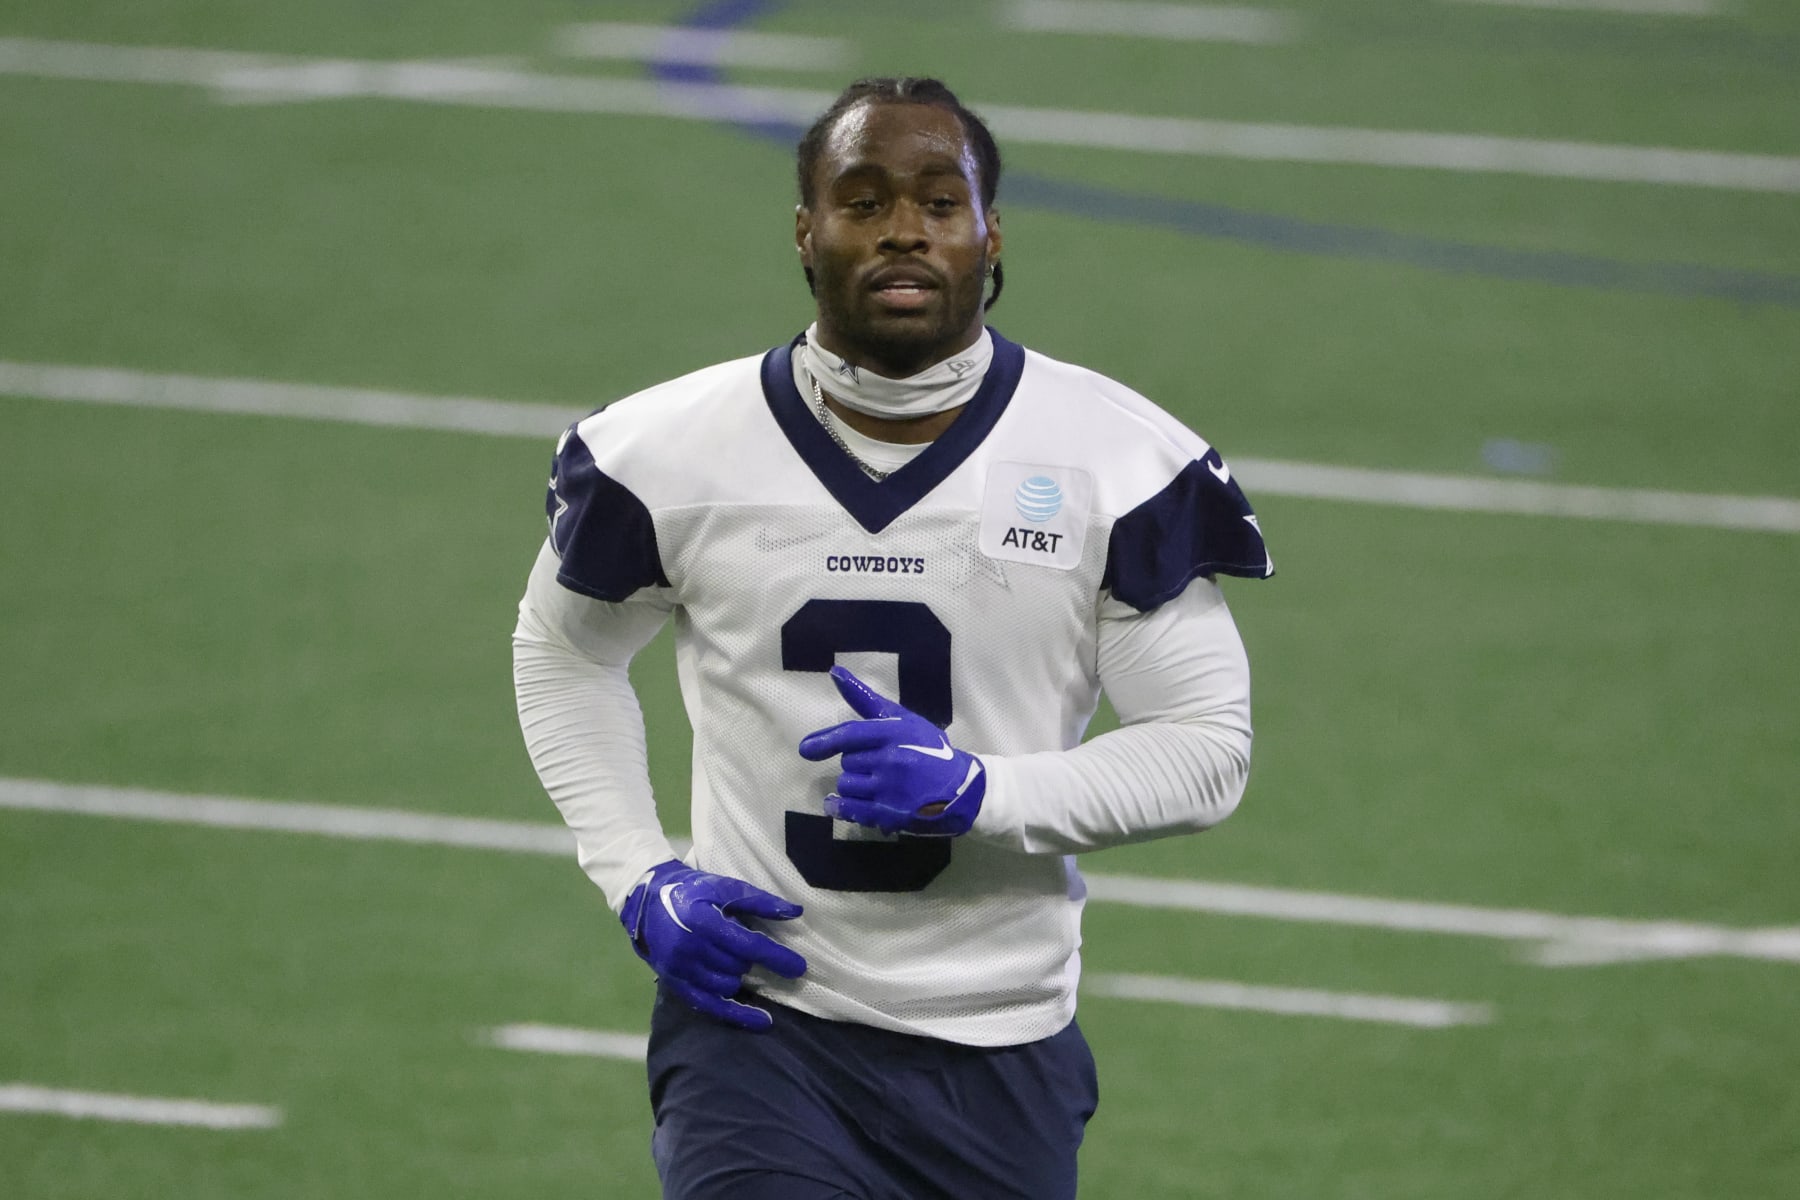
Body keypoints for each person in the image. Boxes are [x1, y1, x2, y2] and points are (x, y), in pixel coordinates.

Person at [513, 76, 1273, 1200]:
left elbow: (1208, 745)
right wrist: (638, 877)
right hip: (761, 1029)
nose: (904, 229)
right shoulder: (667, 447)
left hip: (1000, 1042)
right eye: (863, 201)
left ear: (990, 232)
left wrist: (981, 790)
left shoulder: (1115, 458)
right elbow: (563, 651)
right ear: (807, 231)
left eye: (938, 200)